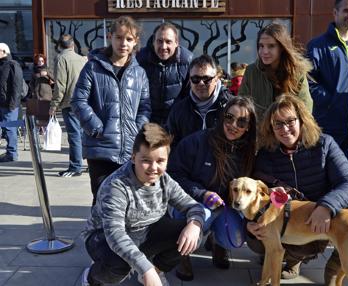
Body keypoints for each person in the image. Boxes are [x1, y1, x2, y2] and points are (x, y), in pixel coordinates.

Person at [248, 95, 348, 286]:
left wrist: (326, 207)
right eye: (277, 124)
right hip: (291, 221)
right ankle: (292, 260)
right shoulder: (266, 154)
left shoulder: (324, 144)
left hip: (325, 216)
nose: (284, 128)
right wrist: (248, 223)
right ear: (270, 128)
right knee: (257, 238)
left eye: (290, 121)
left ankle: (337, 265)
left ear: (301, 119)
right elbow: (250, 193)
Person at [80, 123, 204, 286]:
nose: (154, 168)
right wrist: (145, 268)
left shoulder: (165, 180)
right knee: (118, 267)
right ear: (133, 157)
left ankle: (155, 271)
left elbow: (193, 206)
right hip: (103, 237)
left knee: (194, 234)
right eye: (146, 160)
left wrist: (195, 224)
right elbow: (115, 234)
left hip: (145, 231)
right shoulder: (116, 186)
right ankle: (92, 277)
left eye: (160, 161)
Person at [168, 96, 257, 281]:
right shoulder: (197, 141)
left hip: (223, 206)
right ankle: (182, 255)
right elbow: (173, 175)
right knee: (192, 225)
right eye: (229, 117)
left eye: (242, 122)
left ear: (249, 126)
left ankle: (218, 242)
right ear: (222, 117)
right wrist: (203, 193)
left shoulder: (249, 152)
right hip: (189, 203)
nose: (233, 125)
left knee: (235, 240)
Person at [72, 16, 151, 206]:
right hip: (101, 149)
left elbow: (145, 107)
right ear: (110, 37)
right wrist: (96, 128)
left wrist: (137, 130)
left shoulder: (139, 73)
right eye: (119, 37)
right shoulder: (93, 67)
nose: (123, 43)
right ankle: (97, 236)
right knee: (101, 201)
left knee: (127, 202)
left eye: (129, 39)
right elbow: (78, 100)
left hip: (130, 149)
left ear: (136, 41)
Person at [306, 0, 348, 172]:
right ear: (335, 13)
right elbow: (309, 81)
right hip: (330, 124)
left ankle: (346, 200)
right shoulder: (318, 46)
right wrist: (329, 101)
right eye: (346, 11)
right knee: (325, 172)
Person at [238, 22, 313, 117]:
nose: (265, 51)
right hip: (259, 130)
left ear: (282, 47)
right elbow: (241, 106)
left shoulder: (297, 73)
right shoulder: (251, 71)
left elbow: (305, 111)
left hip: (288, 130)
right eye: (261, 46)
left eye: (271, 46)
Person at [166, 54, 232, 148]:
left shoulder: (231, 106)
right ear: (189, 80)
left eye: (206, 79)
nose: (201, 83)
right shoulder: (179, 110)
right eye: (195, 79)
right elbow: (170, 146)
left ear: (216, 79)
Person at [137, 22, 193, 126]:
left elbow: (189, 97)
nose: (163, 46)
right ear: (154, 42)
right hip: (147, 122)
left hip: (176, 122)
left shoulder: (187, 62)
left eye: (168, 42)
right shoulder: (140, 60)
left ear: (176, 43)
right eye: (159, 41)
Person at [50, 34, 87, 177]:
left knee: (74, 135)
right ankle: (88, 163)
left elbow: (60, 85)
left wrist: (54, 105)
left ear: (60, 46)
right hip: (84, 101)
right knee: (84, 134)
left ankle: (76, 166)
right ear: (72, 45)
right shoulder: (81, 59)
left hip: (69, 102)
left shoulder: (61, 58)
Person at [0, 43, 24, 163]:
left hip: (9, 104)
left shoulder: (13, 65)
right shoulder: (2, 65)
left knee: (10, 129)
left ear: (4, 52)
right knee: (6, 129)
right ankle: (9, 152)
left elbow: (17, 85)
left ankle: (12, 153)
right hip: (2, 103)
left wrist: (13, 104)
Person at [27, 53, 54, 127]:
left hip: (46, 94)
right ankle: (41, 128)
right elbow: (31, 83)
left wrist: (47, 74)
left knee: (46, 111)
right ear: (36, 62)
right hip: (37, 94)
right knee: (38, 112)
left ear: (44, 61)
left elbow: (55, 78)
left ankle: (48, 126)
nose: (40, 62)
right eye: (39, 61)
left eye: (42, 61)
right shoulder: (34, 71)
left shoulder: (48, 69)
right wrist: (33, 91)